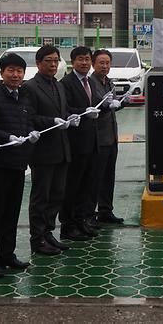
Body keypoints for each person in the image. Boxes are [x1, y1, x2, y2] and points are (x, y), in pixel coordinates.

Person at [0, 52, 41, 278]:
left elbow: (29, 121)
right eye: (11, 71)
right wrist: (7, 137)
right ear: (2, 73)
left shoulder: (23, 97)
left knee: (12, 212)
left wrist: (31, 133)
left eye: (19, 71)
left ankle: (7, 254)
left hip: (18, 164)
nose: (15, 75)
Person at [20, 45, 73, 256]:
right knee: (41, 197)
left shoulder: (58, 86)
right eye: (48, 61)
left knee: (57, 195)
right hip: (42, 151)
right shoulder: (30, 87)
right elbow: (29, 117)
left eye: (56, 60)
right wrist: (52, 121)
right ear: (39, 63)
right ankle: (37, 238)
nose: (53, 64)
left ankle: (49, 233)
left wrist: (70, 117)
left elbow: (64, 110)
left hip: (61, 149)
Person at [59, 46, 102, 241]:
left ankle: (81, 221)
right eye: (80, 59)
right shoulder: (66, 83)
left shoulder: (90, 82)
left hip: (92, 142)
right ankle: (68, 226)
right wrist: (85, 111)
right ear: (72, 62)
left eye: (86, 59)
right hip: (76, 144)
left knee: (87, 186)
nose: (84, 63)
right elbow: (66, 109)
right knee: (72, 187)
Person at [89, 49, 125, 224]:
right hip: (98, 138)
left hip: (112, 136)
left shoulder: (109, 82)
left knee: (109, 176)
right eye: (101, 63)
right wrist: (107, 105)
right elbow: (96, 106)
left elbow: (112, 106)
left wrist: (122, 103)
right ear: (93, 64)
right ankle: (90, 213)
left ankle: (106, 210)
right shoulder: (90, 83)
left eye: (107, 63)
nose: (104, 66)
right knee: (96, 177)